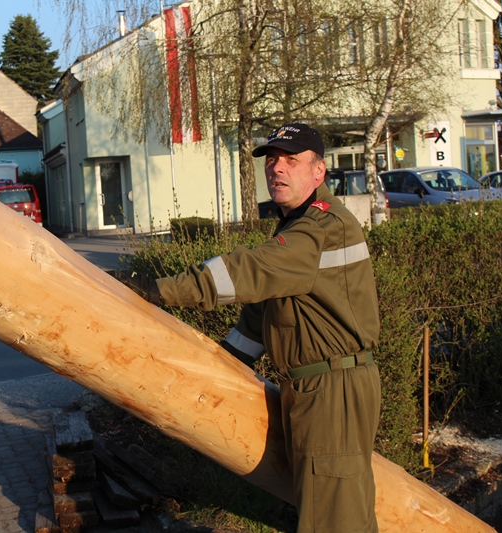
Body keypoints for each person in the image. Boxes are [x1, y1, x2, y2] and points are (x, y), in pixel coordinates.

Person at [121, 123, 381, 532]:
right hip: (319, 386)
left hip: (331, 390)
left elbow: (250, 270)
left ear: (319, 171)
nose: (277, 168)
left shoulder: (319, 227)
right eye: (272, 160)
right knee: (333, 508)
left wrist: (160, 289)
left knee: (333, 520)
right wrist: (227, 362)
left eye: (291, 160)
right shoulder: (298, 224)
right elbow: (264, 311)